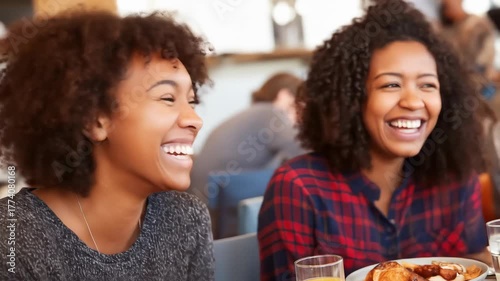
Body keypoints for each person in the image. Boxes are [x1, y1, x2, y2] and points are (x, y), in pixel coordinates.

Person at [257, 0, 492, 280]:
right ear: (352, 98)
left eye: (427, 84)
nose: (413, 100)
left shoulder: (456, 179)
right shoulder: (300, 188)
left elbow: (477, 269)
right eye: (391, 84)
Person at [0, 11, 214, 280]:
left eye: (191, 101)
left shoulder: (186, 219)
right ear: (94, 120)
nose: (194, 120)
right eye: (168, 98)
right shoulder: (14, 240)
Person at [189, 72, 306, 206]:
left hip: (204, 195)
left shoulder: (252, 114)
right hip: (218, 201)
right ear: (284, 96)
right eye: (296, 107)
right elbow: (302, 149)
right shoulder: (271, 114)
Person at [439, 0, 498, 99]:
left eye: (447, 3)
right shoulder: (444, 27)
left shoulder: (477, 25)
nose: (444, 4)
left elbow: (478, 63)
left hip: (470, 86)